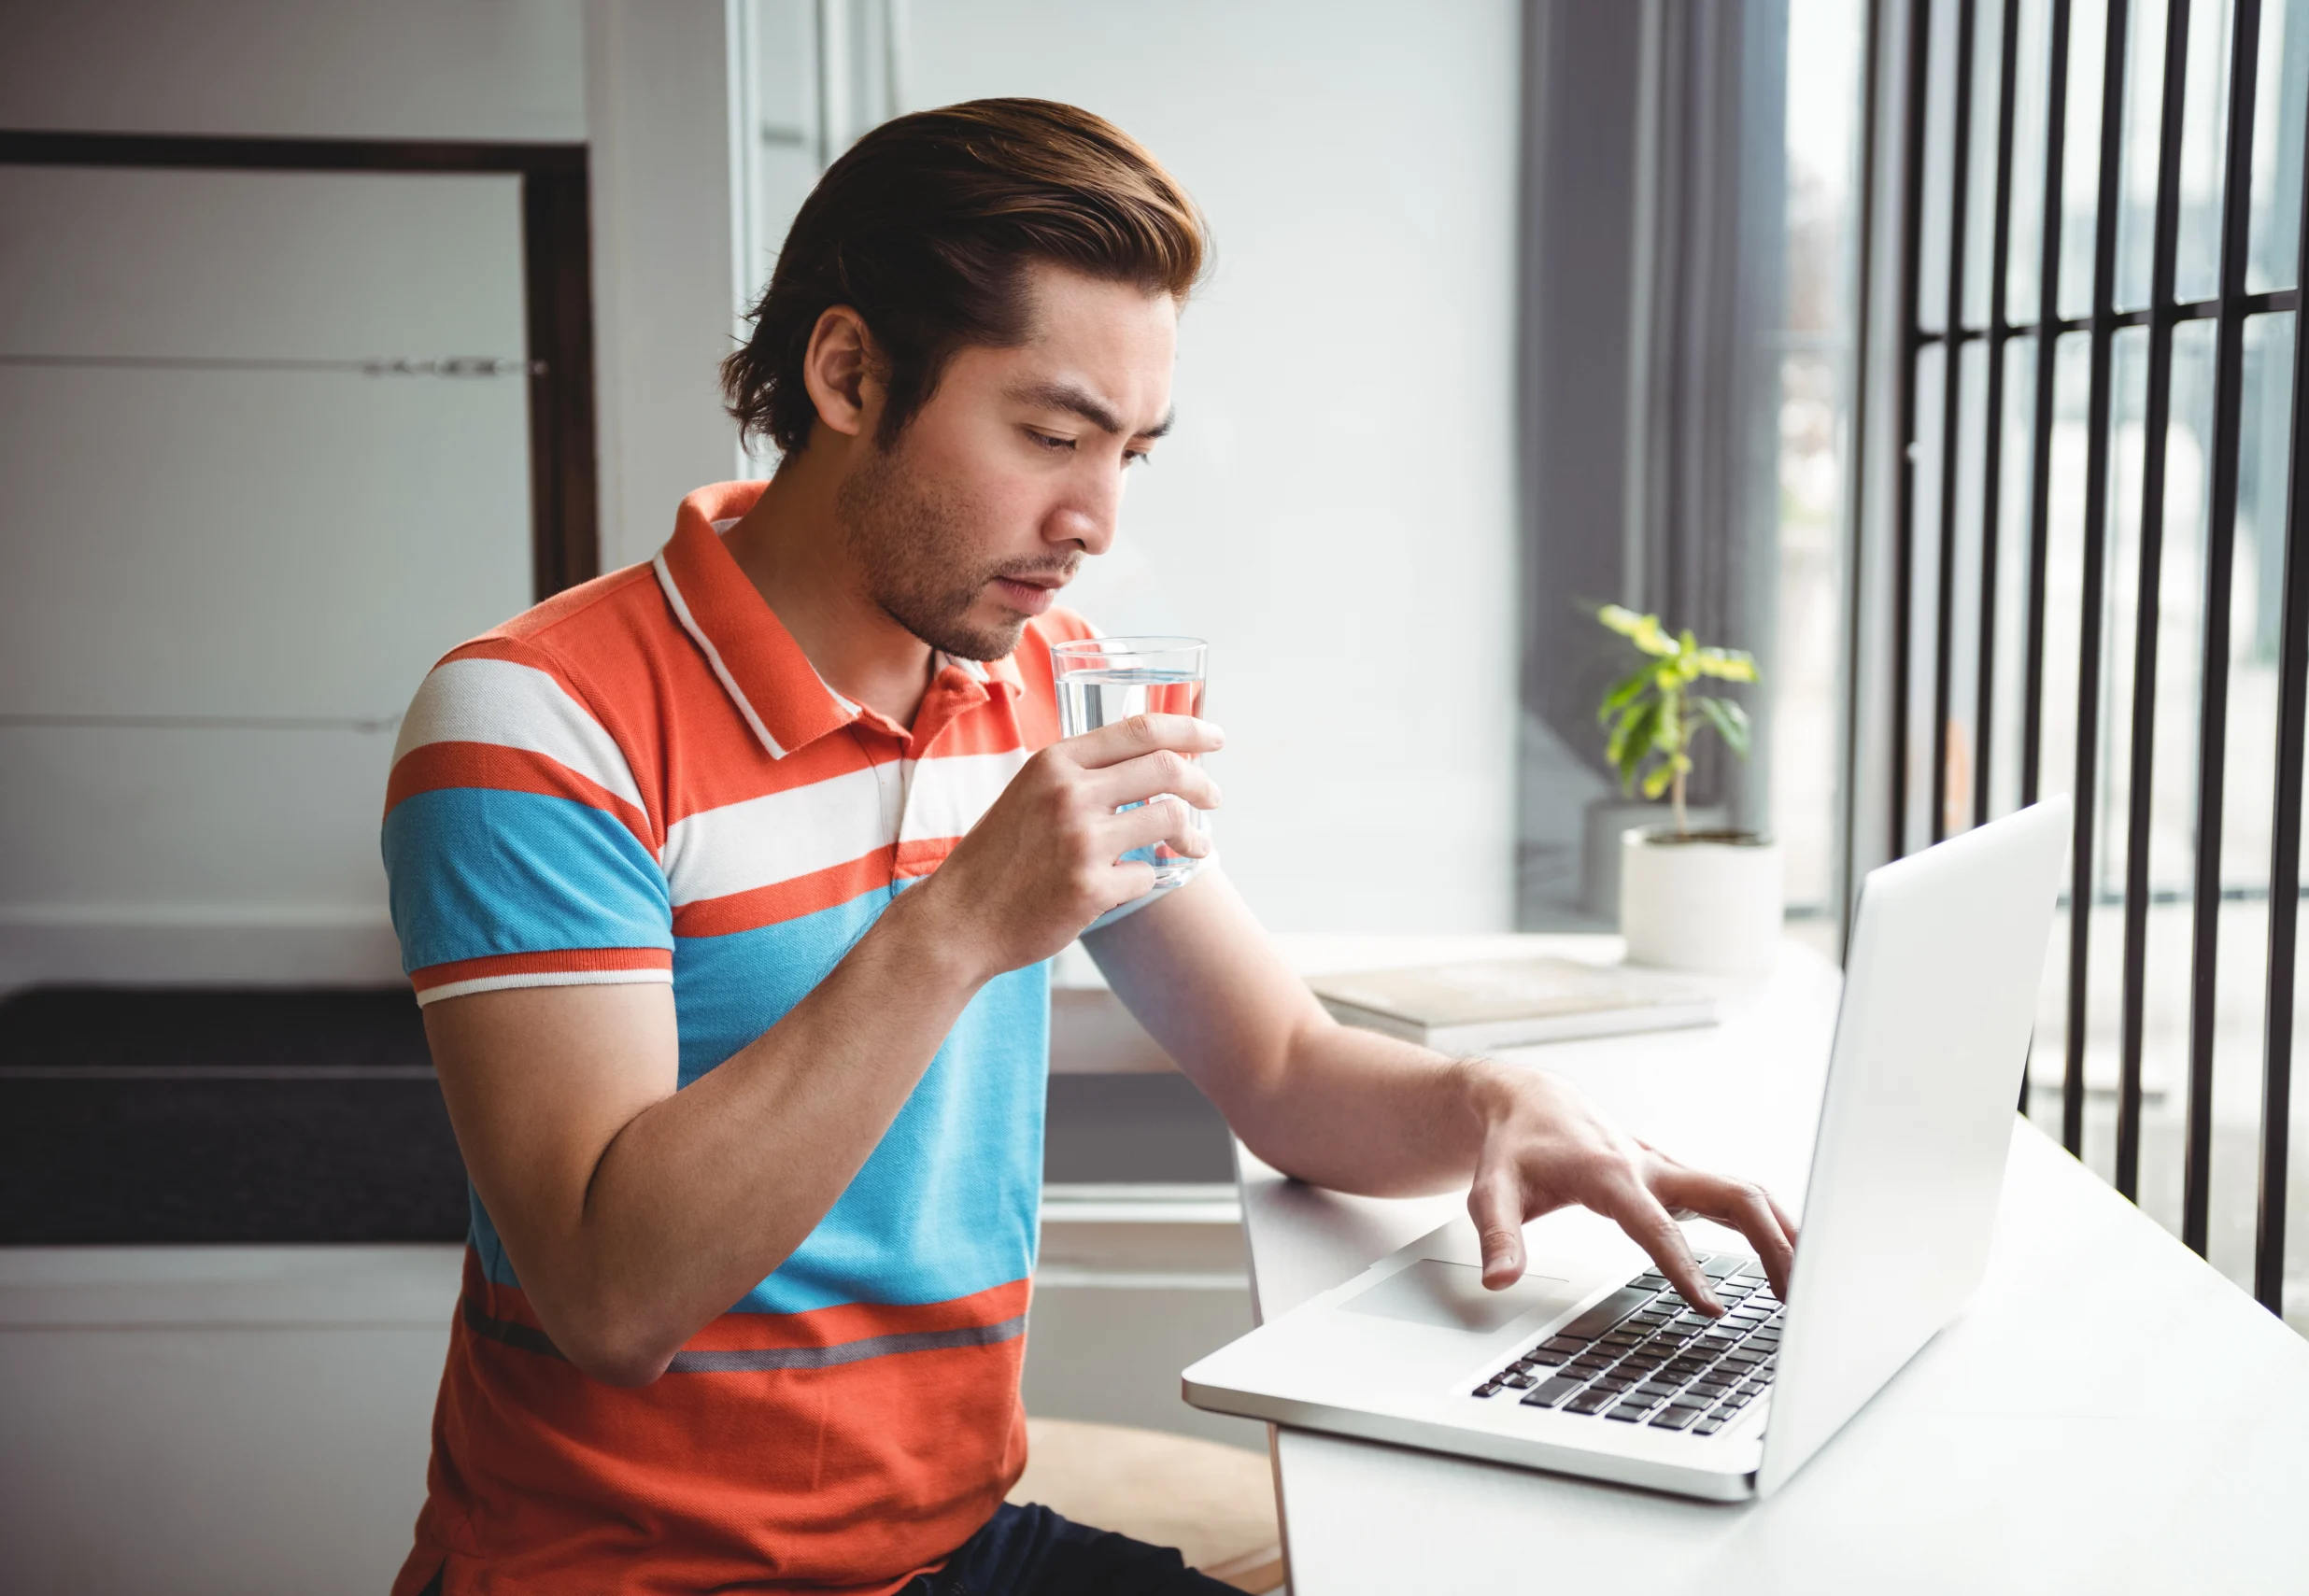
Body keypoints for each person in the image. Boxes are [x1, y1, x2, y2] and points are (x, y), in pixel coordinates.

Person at [381, 97, 1797, 1596]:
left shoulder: (1057, 681)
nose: (1096, 518)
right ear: (849, 372)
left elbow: (1287, 1075)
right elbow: (611, 1296)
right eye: (1052, 435)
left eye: (1131, 451)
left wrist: (1492, 1102)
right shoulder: (538, 725)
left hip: (952, 1547)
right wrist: (959, 924)